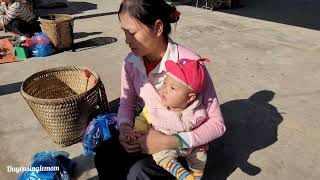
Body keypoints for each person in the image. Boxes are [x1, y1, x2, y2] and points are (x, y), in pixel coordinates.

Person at [94, 0, 226, 179]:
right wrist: (125, 128)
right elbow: (127, 103)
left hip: (183, 149)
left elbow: (217, 124)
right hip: (149, 131)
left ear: (157, 28)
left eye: (132, 32)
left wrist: (170, 141)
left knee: (138, 172)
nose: (126, 40)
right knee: (104, 153)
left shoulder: (190, 65)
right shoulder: (131, 63)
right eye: (124, 32)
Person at [133, 58, 210, 180]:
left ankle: (196, 176)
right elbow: (142, 117)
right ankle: (181, 174)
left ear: (190, 98)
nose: (164, 90)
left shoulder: (198, 111)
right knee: (160, 154)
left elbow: (206, 127)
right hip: (164, 145)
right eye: (164, 83)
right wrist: (139, 130)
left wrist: (203, 142)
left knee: (200, 157)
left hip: (190, 146)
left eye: (172, 88)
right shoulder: (157, 107)